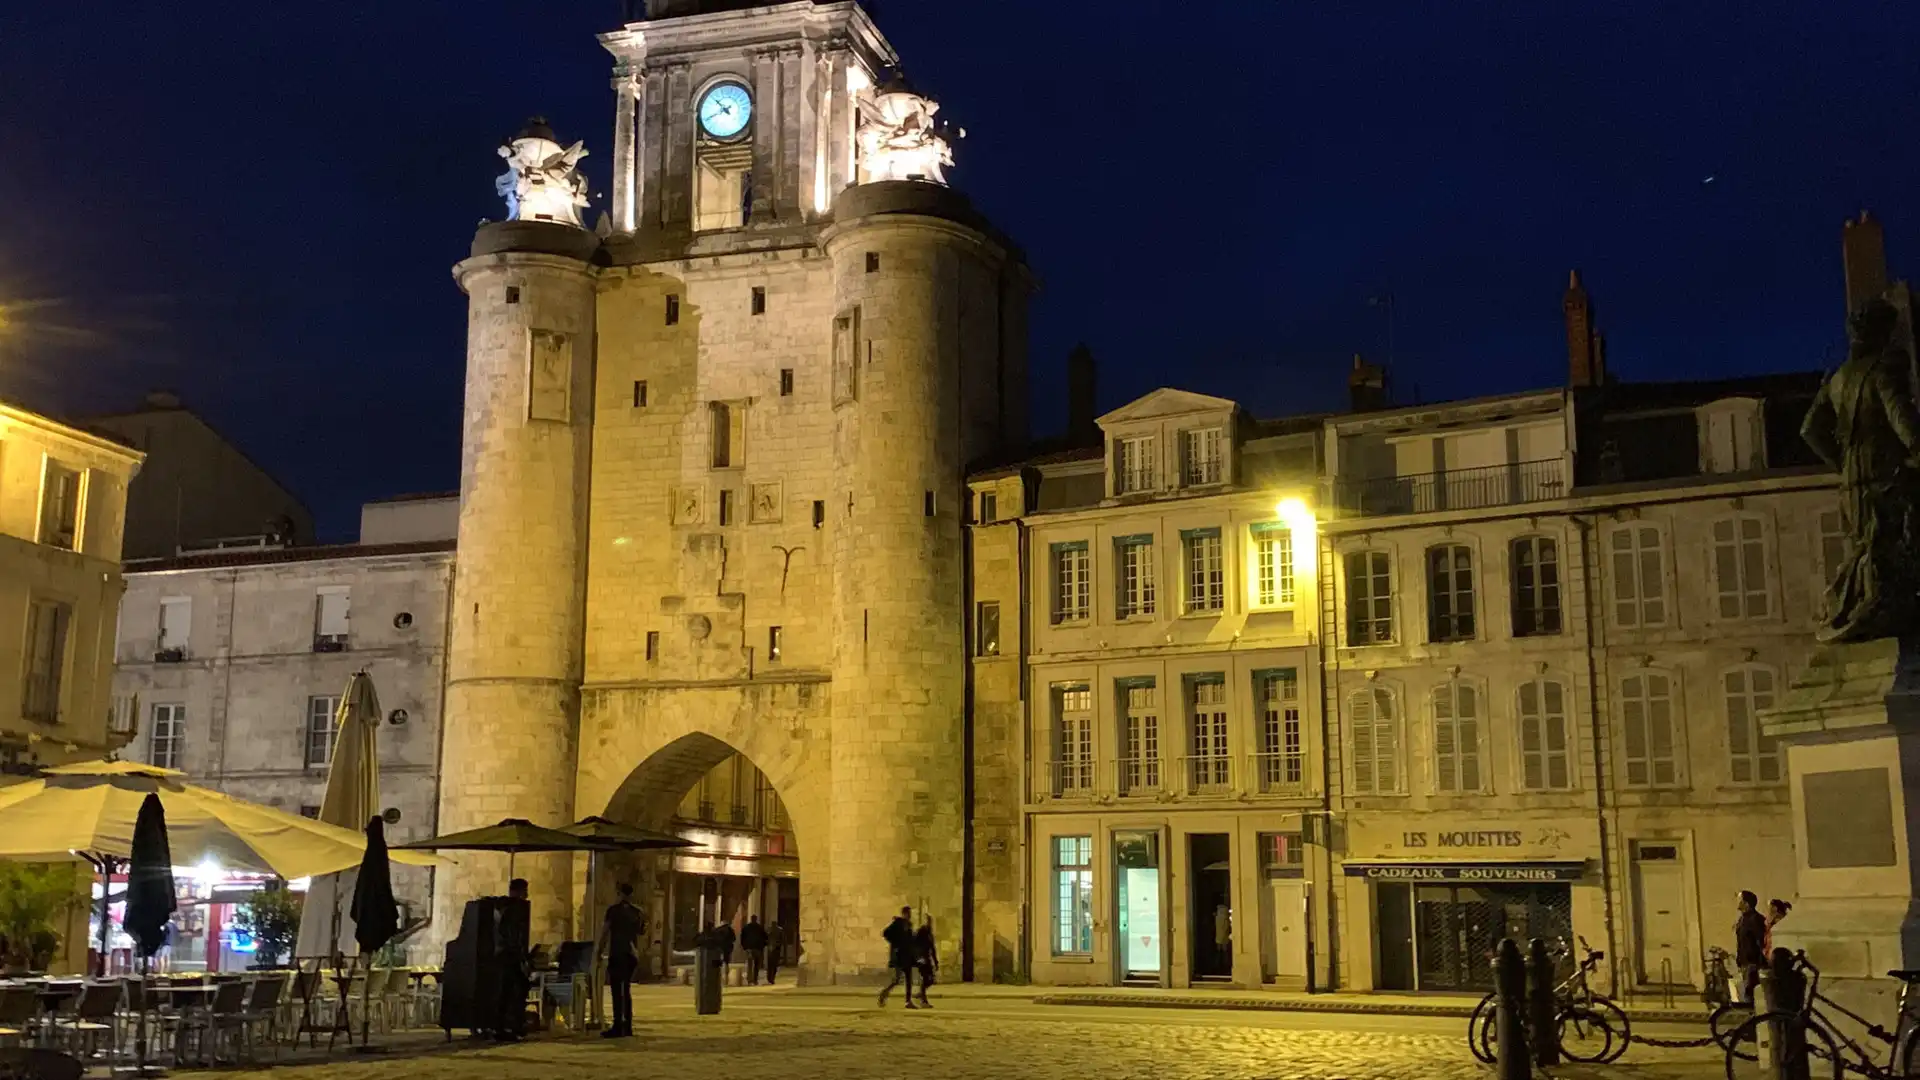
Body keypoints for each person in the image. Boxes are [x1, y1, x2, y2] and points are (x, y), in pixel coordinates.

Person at [596, 882, 645, 1038]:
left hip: (618, 952)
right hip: (631, 953)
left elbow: (605, 931)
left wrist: (598, 951)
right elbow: (642, 932)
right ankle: (627, 1025)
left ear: (618, 893)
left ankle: (618, 1025)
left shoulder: (613, 911)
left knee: (617, 990)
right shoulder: (637, 912)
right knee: (627, 990)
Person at [496, 878, 533, 1041]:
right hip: (509, 957)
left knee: (513, 990)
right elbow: (513, 935)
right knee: (512, 991)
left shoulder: (505, 908)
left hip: (507, 956)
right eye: (524, 890)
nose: (526, 894)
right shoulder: (513, 909)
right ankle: (508, 1026)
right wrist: (521, 958)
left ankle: (510, 1025)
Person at [878, 906, 916, 1008]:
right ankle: (884, 994)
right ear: (904, 913)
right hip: (899, 956)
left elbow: (910, 940)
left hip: (907, 956)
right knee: (897, 980)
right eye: (908, 913)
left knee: (909, 979)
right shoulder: (897, 923)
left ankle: (908, 1001)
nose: (909, 915)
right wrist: (896, 944)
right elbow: (885, 933)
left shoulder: (909, 925)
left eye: (910, 913)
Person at [1734, 890, 1768, 1004]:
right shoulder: (1742, 919)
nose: (1737, 902)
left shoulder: (1755, 919)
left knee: (1751, 994)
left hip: (1752, 963)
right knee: (1746, 992)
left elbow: (1761, 942)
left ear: (1746, 903)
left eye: (1740, 899)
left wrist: (1758, 962)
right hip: (1745, 962)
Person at [912, 916, 937, 1008]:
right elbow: (914, 945)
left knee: (931, 980)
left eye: (930, 921)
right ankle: (923, 1000)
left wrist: (936, 961)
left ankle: (920, 994)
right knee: (925, 978)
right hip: (922, 959)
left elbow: (933, 948)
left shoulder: (930, 933)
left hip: (927, 958)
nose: (929, 923)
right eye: (928, 921)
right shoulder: (920, 932)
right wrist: (918, 957)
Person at [741, 915, 769, 985]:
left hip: (749, 948)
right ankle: (755, 979)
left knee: (750, 964)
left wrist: (745, 947)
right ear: (756, 919)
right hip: (757, 948)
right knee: (756, 965)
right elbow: (765, 937)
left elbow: (742, 937)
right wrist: (763, 946)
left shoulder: (746, 927)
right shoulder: (759, 928)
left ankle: (749, 979)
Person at [766, 919, 787, 984]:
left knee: (771, 965)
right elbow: (783, 940)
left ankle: (770, 978)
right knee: (774, 965)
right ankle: (771, 978)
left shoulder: (769, 930)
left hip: (771, 949)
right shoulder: (779, 930)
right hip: (775, 949)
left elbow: (766, 939)